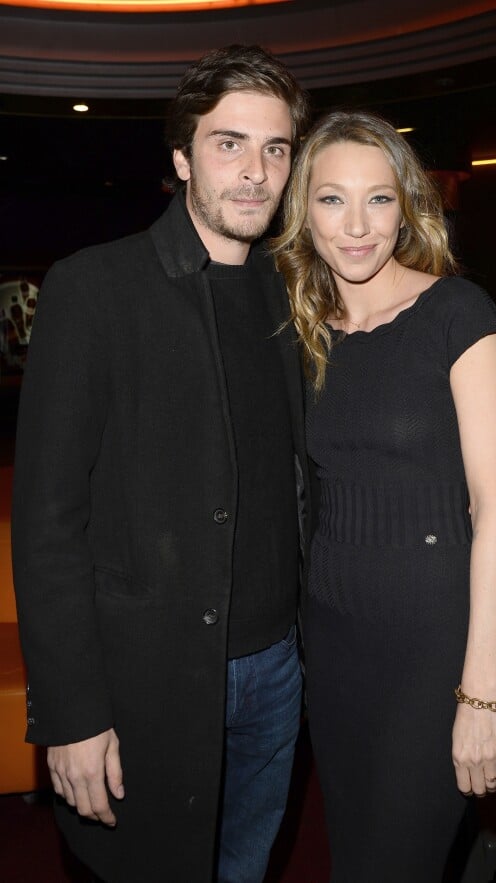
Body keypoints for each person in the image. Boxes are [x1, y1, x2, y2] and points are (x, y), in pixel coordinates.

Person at [11, 45, 311, 883]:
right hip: (150, 678)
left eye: (276, 148)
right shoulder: (95, 289)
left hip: (278, 672)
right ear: (181, 157)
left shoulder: (291, 296)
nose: (255, 171)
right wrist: (70, 712)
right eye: (229, 144)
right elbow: (47, 525)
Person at [272, 110, 496, 882]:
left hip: (434, 643)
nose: (356, 226)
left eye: (378, 200)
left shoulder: (458, 315)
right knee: (354, 855)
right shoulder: (305, 326)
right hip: (334, 643)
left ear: (408, 205)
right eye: (332, 200)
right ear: (302, 210)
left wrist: (481, 694)